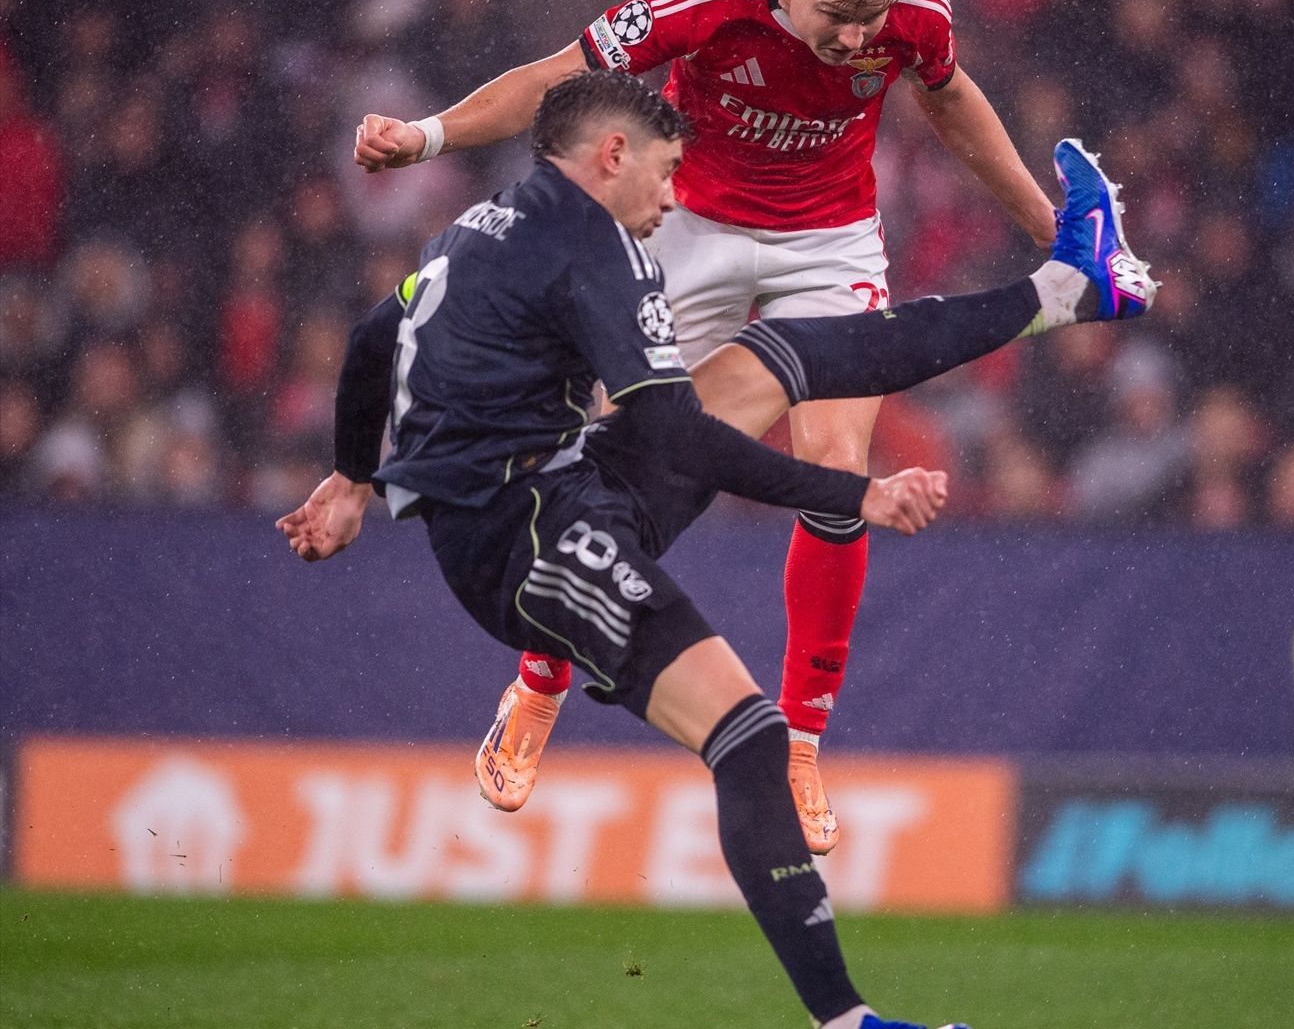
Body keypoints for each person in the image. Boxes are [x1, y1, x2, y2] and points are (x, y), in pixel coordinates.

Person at [279, 69, 1151, 1029]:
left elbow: (373, 337)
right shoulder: (593, 255)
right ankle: (846, 1020)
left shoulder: (480, 228)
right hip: (531, 542)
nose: (671, 198)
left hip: (556, 491)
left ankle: (1070, 287)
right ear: (612, 156)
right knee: (751, 737)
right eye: (664, 175)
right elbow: (681, 444)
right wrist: (853, 492)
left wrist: (354, 479)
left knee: (788, 354)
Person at [351, 0, 1058, 855]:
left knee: (836, 467)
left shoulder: (914, 5)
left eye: (867, 24)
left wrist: (1044, 222)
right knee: (627, 456)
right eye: (833, 16)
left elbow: (950, 99)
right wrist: (429, 136)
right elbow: (562, 81)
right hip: (690, 225)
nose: (852, 43)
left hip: (828, 241)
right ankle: (540, 675)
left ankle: (801, 743)